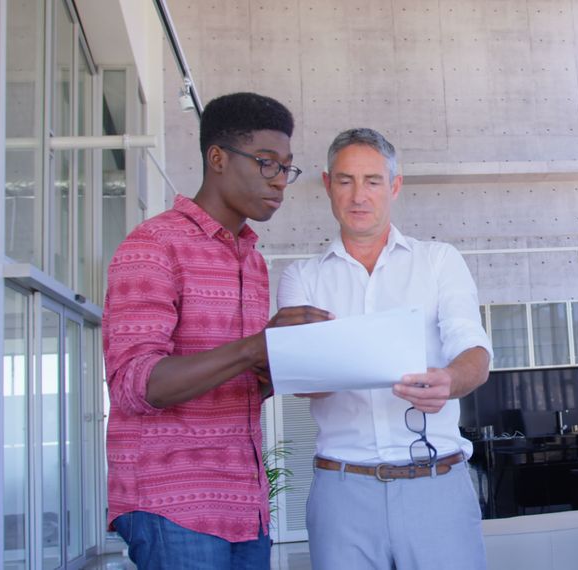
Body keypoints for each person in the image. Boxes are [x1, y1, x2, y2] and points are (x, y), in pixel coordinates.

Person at [103, 92, 333, 568]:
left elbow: (234, 379)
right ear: (218, 158)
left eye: (286, 167)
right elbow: (134, 383)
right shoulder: (152, 245)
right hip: (173, 503)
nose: (280, 182)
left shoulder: (252, 260)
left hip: (244, 506)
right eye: (267, 163)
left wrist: (282, 371)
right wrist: (254, 349)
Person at [276, 128, 491, 569]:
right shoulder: (301, 277)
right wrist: (314, 365)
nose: (359, 195)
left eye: (372, 181)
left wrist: (449, 381)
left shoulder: (438, 260)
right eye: (345, 180)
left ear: (394, 186)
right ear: (326, 184)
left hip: (436, 485)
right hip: (342, 492)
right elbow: (303, 384)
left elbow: (473, 351)